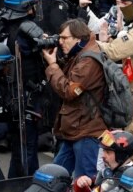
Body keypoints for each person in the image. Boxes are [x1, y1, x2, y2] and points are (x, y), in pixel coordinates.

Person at [43, 18, 106, 179]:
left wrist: (52, 66)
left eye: (65, 38)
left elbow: (70, 91)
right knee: (54, 178)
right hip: (75, 129)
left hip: (86, 131)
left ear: (78, 39)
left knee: (86, 181)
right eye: (60, 37)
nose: (60, 42)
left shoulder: (89, 61)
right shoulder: (80, 54)